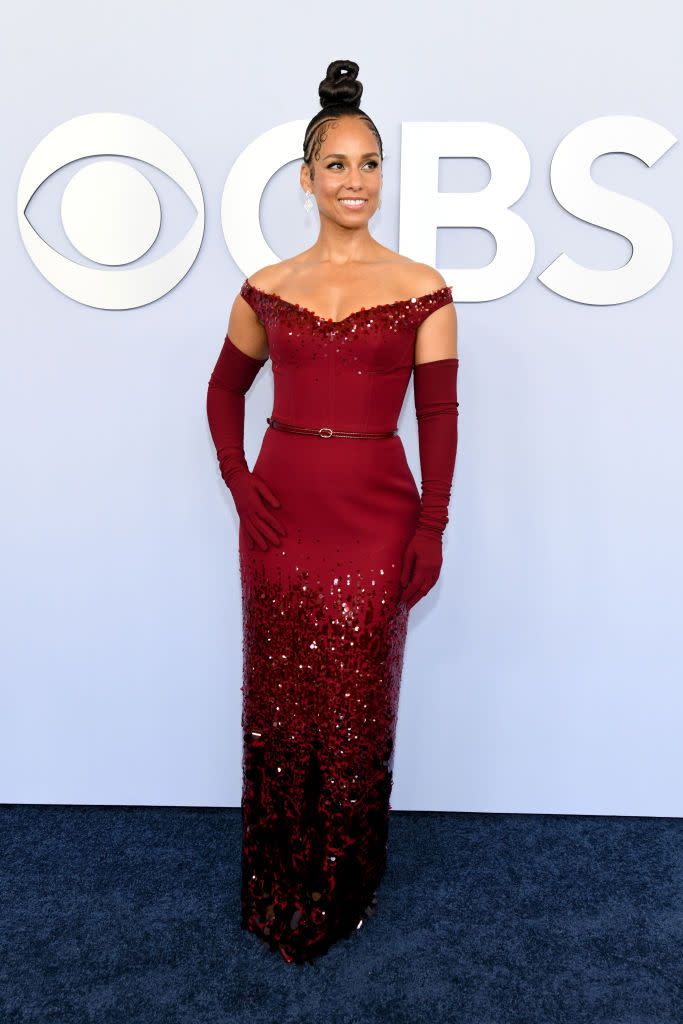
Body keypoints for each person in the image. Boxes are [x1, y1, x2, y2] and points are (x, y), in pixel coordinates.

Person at [206, 59, 459, 965]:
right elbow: (223, 389)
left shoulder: (423, 286)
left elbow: (437, 416)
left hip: (374, 517)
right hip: (279, 518)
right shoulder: (267, 285)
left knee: (355, 706)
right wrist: (238, 480)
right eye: (338, 165)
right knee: (279, 702)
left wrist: (431, 526)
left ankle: (343, 884)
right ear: (306, 178)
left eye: (370, 164)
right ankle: (275, 879)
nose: (356, 181)